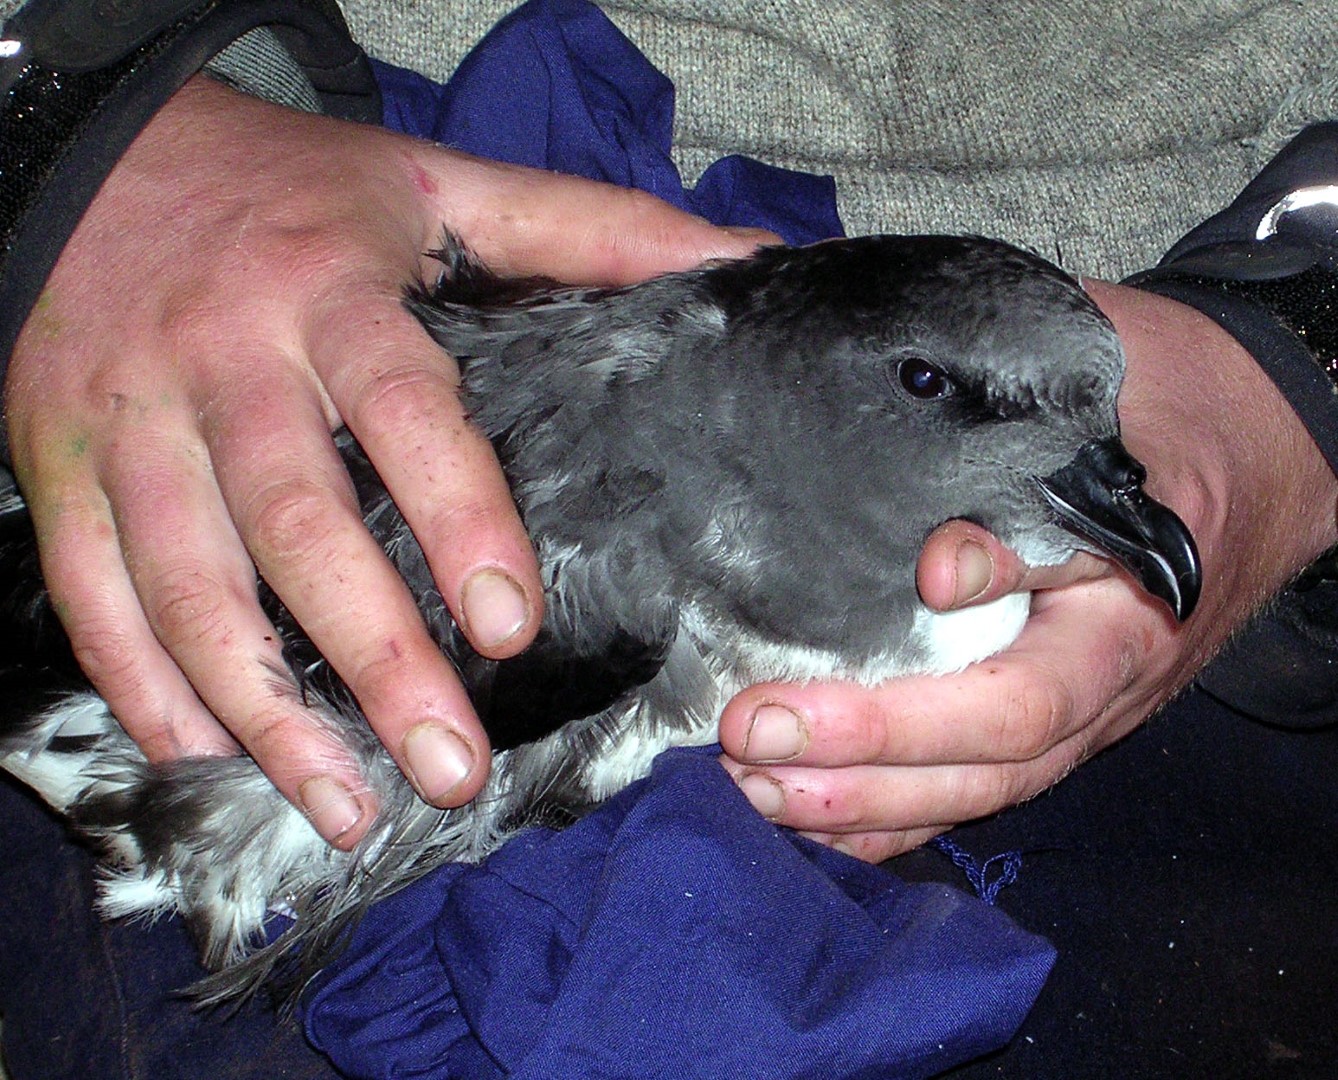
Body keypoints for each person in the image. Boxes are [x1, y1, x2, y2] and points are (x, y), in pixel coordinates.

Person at [1, 0, 1335, 1075]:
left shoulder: (1059, 462)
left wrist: (1297, 364)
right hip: (250, 223)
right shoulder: (620, 522)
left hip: (1235, 400)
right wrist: (63, 120)